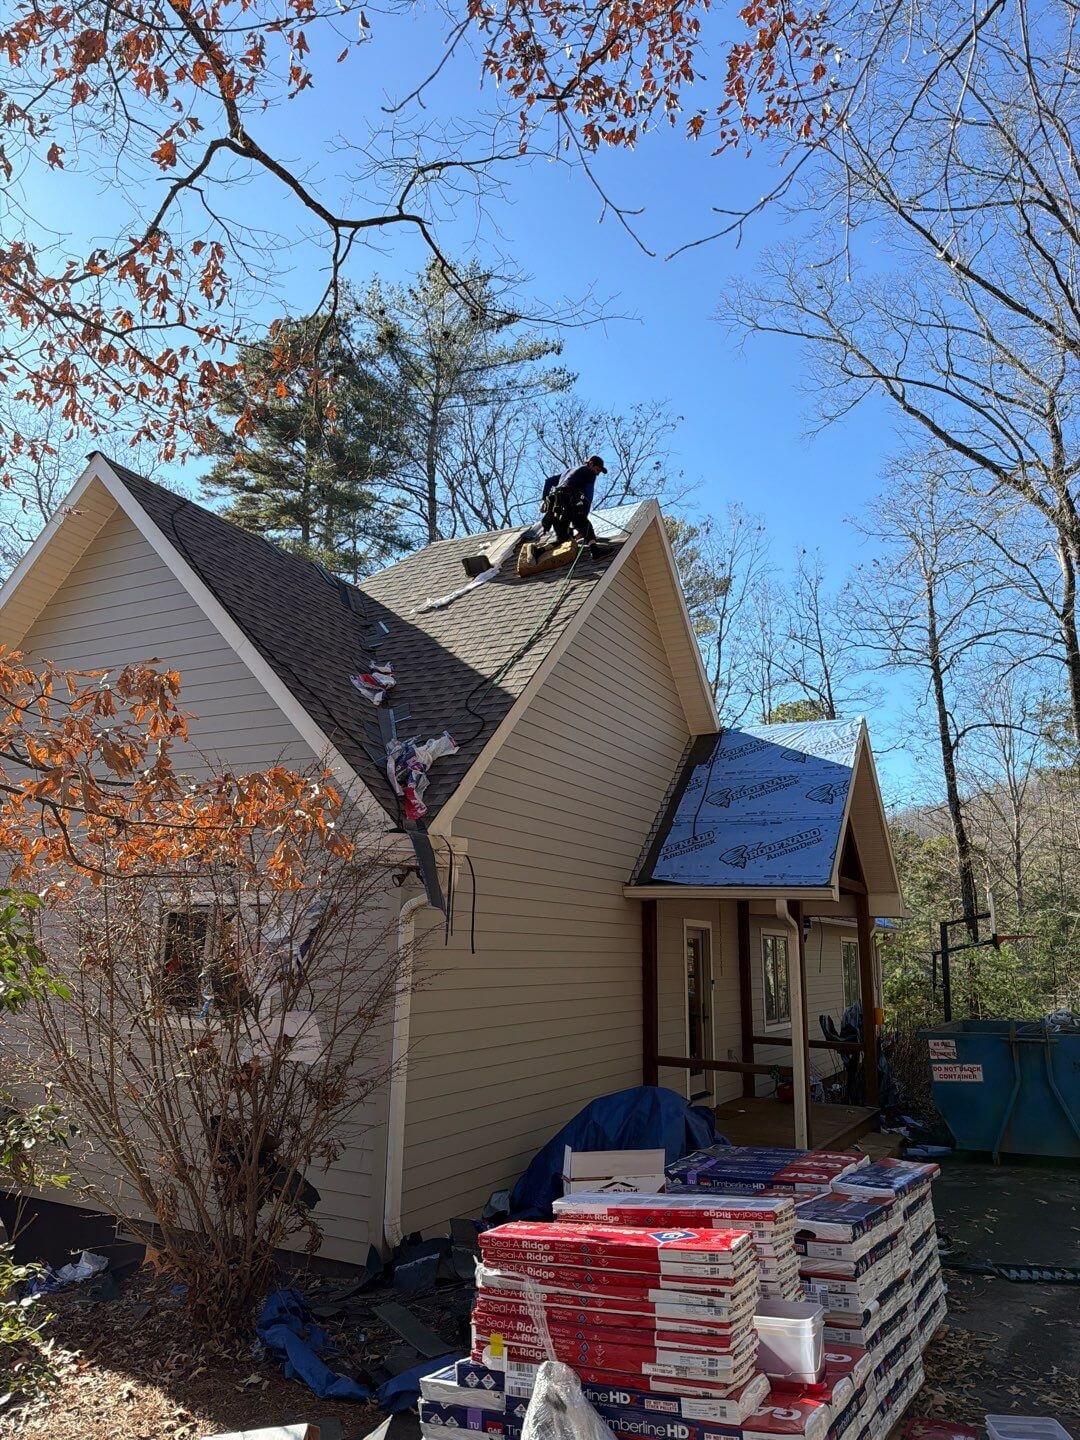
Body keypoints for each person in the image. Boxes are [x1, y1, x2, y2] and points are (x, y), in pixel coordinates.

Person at [540, 455, 607, 546]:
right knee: (586, 527)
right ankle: (595, 551)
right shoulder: (589, 473)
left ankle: (542, 550)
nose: (597, 473)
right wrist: (583, 521)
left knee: (563, 539)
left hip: (556, 507)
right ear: (590, 464)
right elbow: (588, 498)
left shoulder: (567, 472)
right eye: (597, 470)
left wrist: (544, 500)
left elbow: (548, 481)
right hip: (569, 502)